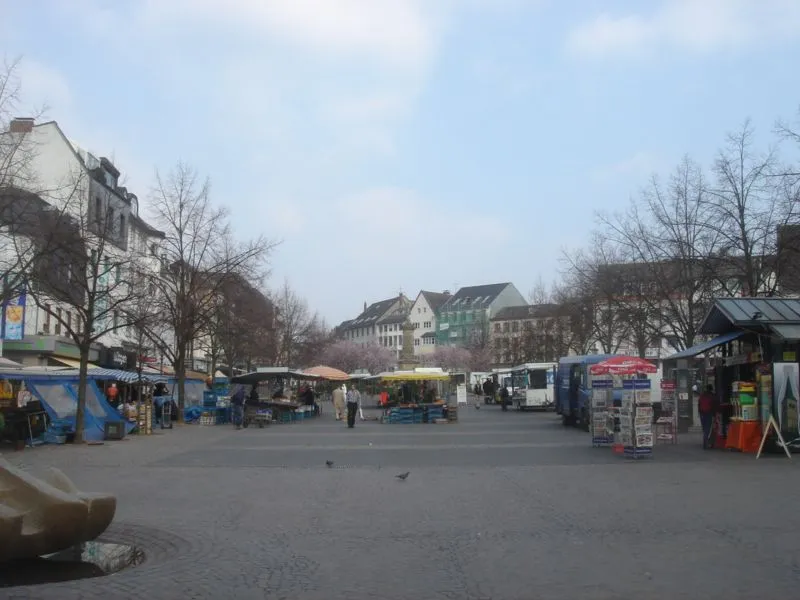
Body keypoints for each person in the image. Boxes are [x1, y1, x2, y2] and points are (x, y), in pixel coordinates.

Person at [698, 384, 716, 449]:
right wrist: (714, 414)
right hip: (709, 413)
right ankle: (706, 442)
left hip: (702, 413)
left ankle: (706, 441)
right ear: (711, 389)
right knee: (708, 428)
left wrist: (699, 412)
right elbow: (714, 406)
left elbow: (699, 404)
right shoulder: (712, 396)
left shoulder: (702, 395)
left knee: (704, 428)